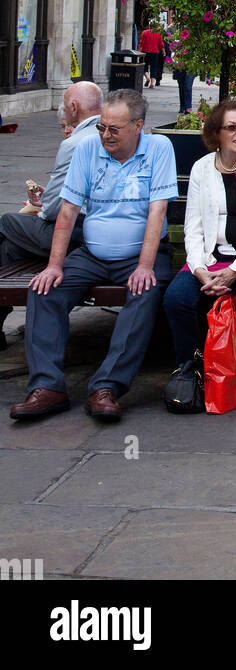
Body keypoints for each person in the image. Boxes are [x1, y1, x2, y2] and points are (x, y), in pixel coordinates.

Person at [9, 90, 178, 423]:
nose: (105, 135)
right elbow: (68, 211)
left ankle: (107, 387)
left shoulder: (159, 149)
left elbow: (158, 209)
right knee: (44, 289)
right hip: (92, 252)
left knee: (144, 293)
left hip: (142, 252)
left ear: (138, 126)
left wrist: (145, 265)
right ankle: (48, 387)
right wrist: (54, 265)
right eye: (101, 127)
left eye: (114, 129)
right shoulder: (87, 147)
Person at [162, 99, 236, 408]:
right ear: (216, 133)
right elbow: (192, 226)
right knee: (176, 297)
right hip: (210, 258)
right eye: (232, 127)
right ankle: (188, 368)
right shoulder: (202, 168)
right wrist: (200, 268)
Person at [0, 82, 102, 266]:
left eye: (65, 105)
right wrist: (47, 198)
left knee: (7, 222)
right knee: (11, 248)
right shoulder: (111, 135)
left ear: (74, 107)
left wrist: (42, 208)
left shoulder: (74, 144)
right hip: (97, 226)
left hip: (78, 232)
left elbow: (52, 211)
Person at [139, 22, 166, 88]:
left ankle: (147, 77)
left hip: (145, 52)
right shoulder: (159, 34)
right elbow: (161, 44)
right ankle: (152, 83)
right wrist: (163, 51)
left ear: (149, 26)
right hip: (155, 52)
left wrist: (139, 51)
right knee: (154, 67)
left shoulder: (144, 32)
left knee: (144, 66)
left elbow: (141, 43)